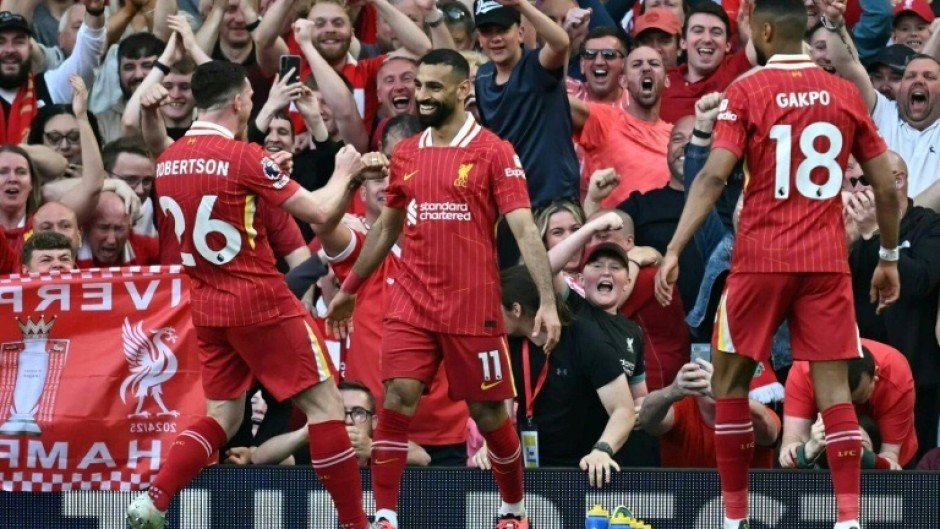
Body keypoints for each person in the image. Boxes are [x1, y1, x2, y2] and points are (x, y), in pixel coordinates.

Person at [654, 0, 901, 528]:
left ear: (765, 30)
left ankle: (735, 517)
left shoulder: (747, 91)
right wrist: (886, 256)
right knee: (835, 393)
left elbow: (713, 177)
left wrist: (675, 247)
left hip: (762, 256)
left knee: (730, 385)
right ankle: (849, 519)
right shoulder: (844, 93)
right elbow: (883, 183)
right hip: (825, 259)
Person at [125, 60, 381, 529]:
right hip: (261, 300)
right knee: (326, 408)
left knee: (221, 419)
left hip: (207, 305)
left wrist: (268, 181)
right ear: (241, 100)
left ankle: (155, 500)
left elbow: (204, 181)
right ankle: (354, 523)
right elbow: (323, 212)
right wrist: (346, 169)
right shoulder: (243, 156)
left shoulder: (170, 161)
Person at [326, 49, 561, 529]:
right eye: (420, 85)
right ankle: (386, 515)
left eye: (435, 87)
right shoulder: (407, 152)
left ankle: (514, 510)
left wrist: (549, 302)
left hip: (472, 307)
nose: (423, 95)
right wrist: (350, 287)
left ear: (462, 89)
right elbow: (386, 228)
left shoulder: (495, 151)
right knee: (397, 399)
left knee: (489, 412)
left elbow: (524, 230)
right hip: (411, 303)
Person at [780, 339, 917, 469]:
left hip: (880, 444)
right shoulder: (805, 371)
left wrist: (866, 455)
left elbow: (890, 457)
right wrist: (809, 448)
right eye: (835, 400)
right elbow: (791, 444)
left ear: (875, 375)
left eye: (856, 399)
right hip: (823, 451)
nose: (847, 409)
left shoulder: (896, 374)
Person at [639, 358, 781, 468]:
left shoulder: (757, 410)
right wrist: (671, 392)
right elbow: (647, 421)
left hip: (747, 500)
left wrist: (728, 397)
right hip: (688, 498)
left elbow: (769, 434)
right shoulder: (682, 408)